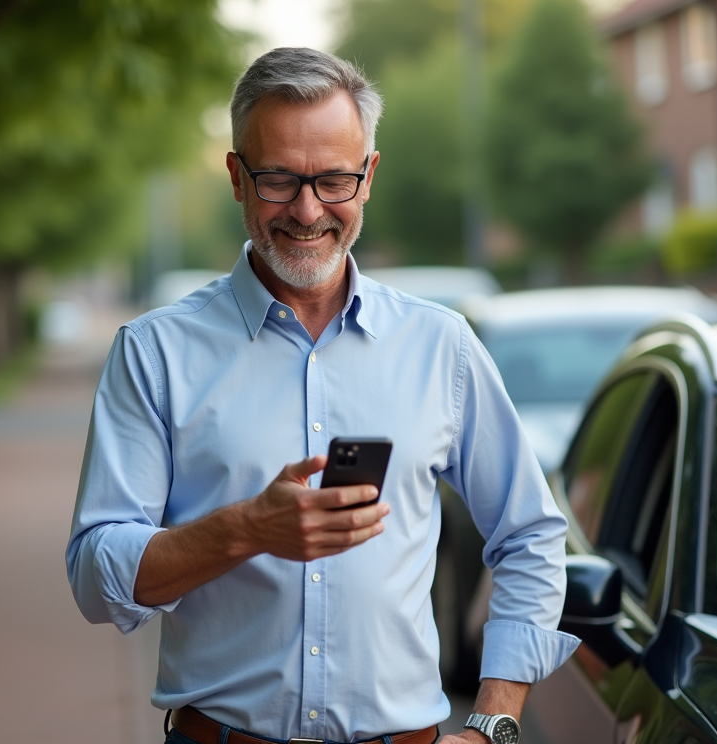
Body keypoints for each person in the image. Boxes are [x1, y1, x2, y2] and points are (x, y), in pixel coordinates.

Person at [66, 47, 578, 744]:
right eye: (278, 179)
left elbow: (531, 535)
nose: (307, 211)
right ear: (237, 179)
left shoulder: (443, 347)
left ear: (368, 177)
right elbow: (98, 577)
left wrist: (494, 719)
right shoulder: (154, 353)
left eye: (333, 179)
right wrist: (246, 529)